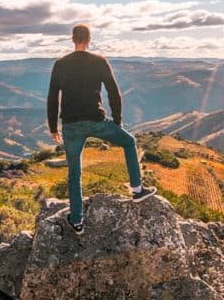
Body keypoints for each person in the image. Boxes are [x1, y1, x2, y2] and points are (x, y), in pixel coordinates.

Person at [47, 24, 156, 235]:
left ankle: (77, 221)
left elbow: (53, 97)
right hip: (97, 121)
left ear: (72, 39)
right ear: (88, 39)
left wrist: (53, 127)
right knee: (129, 142)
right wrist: (117, 120)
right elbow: (114, 92)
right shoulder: (99, 61)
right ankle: (137, 189)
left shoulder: (60, 64)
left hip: (70, 125)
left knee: (74, 172)